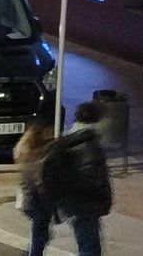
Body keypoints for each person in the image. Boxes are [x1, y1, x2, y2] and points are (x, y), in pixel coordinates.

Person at [42, 101, 113, 256]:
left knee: (87, 243)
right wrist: (103, 201)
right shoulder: (90, 144)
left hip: (72, 203)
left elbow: (49, 174)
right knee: (89, 247)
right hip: (85, 203)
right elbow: (96, 178)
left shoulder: (67, 141)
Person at [14, 120, 58, 256]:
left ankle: (28, 253)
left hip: (32, 201)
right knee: (39, 235)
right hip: (37, 202)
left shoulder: (29, 154)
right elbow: (39, 184)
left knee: (41, 234)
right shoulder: (40, 157)